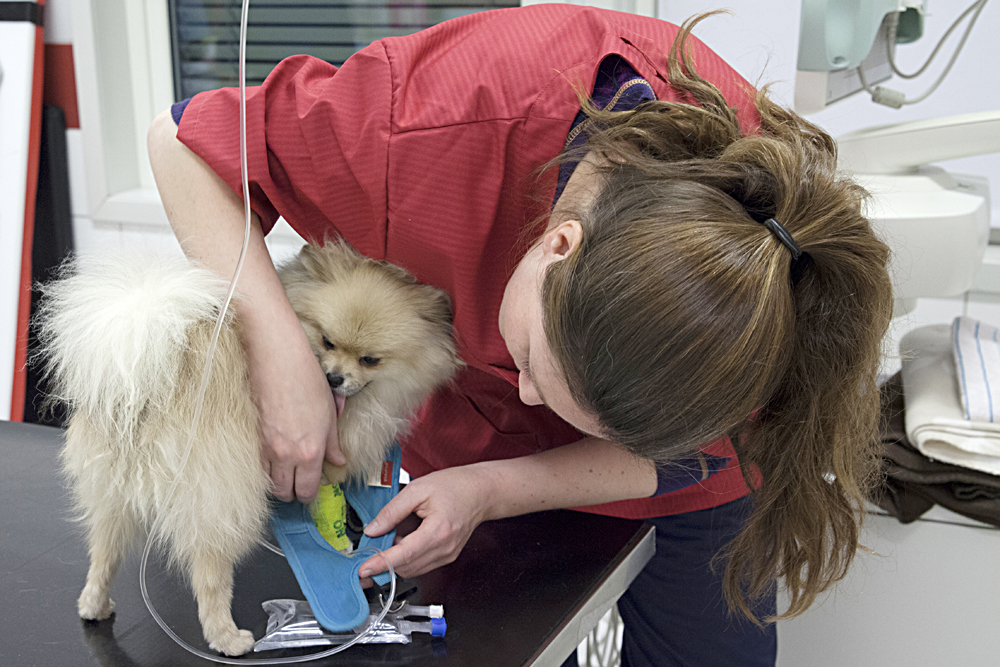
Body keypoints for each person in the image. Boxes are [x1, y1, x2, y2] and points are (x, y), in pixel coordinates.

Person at [147, 6, 893, 665]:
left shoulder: (759, 304)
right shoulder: (431, 119)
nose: (527, 393)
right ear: (558, 243)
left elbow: (692, 456)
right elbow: (179, 144)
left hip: (684, 475)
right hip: (471, 433)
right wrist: (280, 357)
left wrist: (496, 485)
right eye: (532, 361)